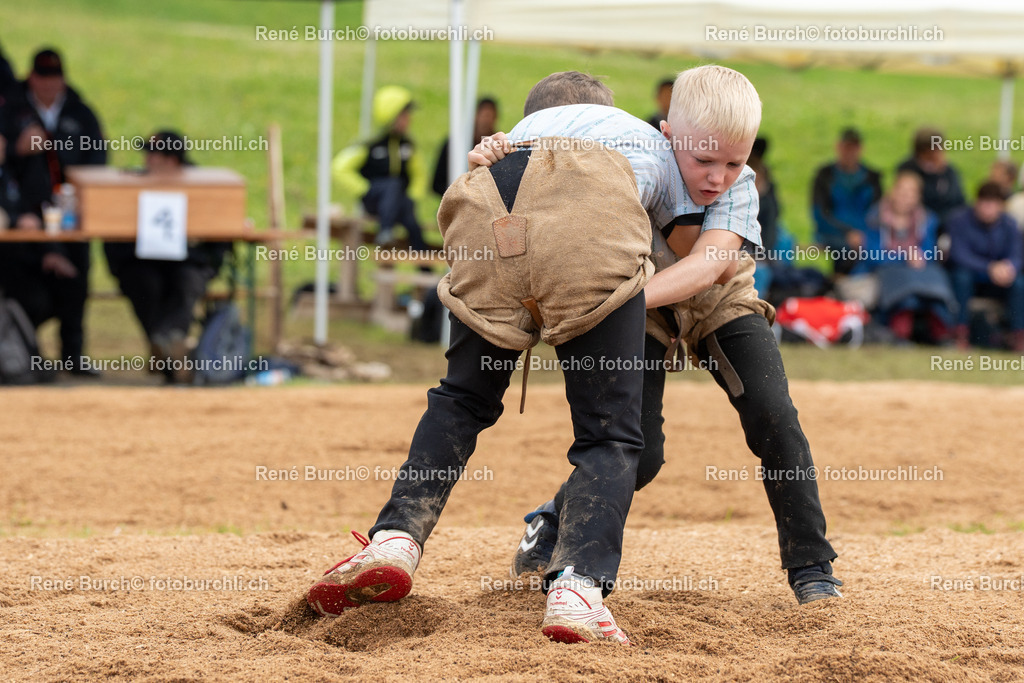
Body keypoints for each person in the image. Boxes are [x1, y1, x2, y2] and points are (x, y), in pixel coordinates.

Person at [306, 67, 762, 646]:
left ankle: (396, 537)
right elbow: (709, 258)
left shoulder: (531, 127)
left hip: (490, 202)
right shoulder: (672, 151)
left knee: (463, 397)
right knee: (610, 435)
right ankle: (578, 587)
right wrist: (611, 312)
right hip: (587, 219)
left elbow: (491, 164)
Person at [506, 71, 843, 608]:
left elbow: (710, 266)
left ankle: (812, 567)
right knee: (639, 454)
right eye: (704, 162)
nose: (718, 178)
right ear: (667, 136)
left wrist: (615, 305)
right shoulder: (632, 164)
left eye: (734, 163)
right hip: (641, 308)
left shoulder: (741, 188)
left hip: (715, 298)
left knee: (774, 415)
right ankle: (552, 518)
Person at [0, 48, 106, 376]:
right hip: (25, 218)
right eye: (42, 78)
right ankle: (21, 353)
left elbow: (98, 160)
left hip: (70, 214)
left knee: (75, 280)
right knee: (27, 287)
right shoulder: (13, 110)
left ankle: (73, 356)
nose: (49, 85)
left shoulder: (81, 113)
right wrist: (18, 149)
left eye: (54, 78)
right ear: (31, 77)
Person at [103, 131, 231, 384]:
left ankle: (163, 344)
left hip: (188, 261)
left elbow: (220, 237)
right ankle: (173, 349)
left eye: (153, 154)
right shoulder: (132, 185)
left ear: (172, 161)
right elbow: (111, 232)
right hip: (141, 262)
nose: (147, 160)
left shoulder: (203, 189)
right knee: (143, 283)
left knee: (187, 282)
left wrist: (202, 257)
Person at [856, 171, 953, 344]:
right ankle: (900, 334)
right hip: (884, 269)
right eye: (901, 191)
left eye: (911, 192)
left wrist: (919, 257)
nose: (905, 197)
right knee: (906, 292)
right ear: (892, 191)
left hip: (918, 272)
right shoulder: (874, 217)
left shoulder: (927, 219)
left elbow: (930, 252)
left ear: (918, 197)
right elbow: (871, 254)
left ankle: (942, 335)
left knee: (930, 286)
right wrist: (903, 257)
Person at [332, 85, 429, 249]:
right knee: (392, 185)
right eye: (404, 115)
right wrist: (363, 189)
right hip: (374, 200)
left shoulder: (407, 146)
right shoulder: (372, 145)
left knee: (412, 223)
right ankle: (385, 231)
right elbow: (340, 167)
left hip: (398, 202)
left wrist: (413, 197)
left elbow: (420, 173)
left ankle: (425, 266)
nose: (408, 119)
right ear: (393, 116)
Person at [946, 182, 1024, 351]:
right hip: (972, 274)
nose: (988, 209)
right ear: (977, 202)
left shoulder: (1009, 224)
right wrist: (989, 267)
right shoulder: (960, 220)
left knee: (1018, 283)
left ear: (1001, 206)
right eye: (984, 204)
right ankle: (960, 332)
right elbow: (959, 255)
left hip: (999, 278)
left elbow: (1017, 254)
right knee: (961, 277)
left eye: (993, 205)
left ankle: (1018, 335)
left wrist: (1009, 267)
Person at [811, 127, 882, 275]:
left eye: (854, 148)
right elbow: (820, 213)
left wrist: (863, 233)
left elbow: (878, 212)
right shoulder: (825, 176)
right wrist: (848, 232)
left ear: (860, 149)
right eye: (846, 147)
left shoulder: (872, 177)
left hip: (865, 232)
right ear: (838, 147)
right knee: (845, 250)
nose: (850, 153)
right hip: (833, 232)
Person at [896, 128, 966, 231]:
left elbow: (959, 200)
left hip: (948, 224)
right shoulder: (908, 170)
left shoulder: (949, 172)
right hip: (919, 226)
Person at [432, 97, 498, 197]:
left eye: (489, 116)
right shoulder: (456, 143)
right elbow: (437, 182)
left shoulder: (496, 146)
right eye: (484, 116)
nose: (486, 121)